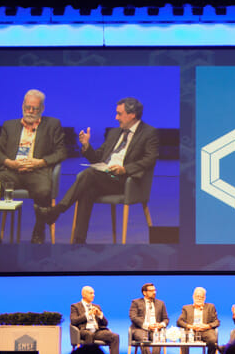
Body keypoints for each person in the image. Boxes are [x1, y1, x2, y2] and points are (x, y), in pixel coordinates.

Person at [35, 97, 159, 244]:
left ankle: (56, 211)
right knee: (87, 190)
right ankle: (79, 241)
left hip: (126, 181)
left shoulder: (149, 133)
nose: (116, 117)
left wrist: (125, 169)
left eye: (119, 114)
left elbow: (150, 159)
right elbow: (97, 158)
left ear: (132, 115)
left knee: (88, 174)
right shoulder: (114, 132)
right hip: (105, 177)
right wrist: (86, 146)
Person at [0, 89, 66, 244]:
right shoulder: (9, 125)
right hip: (12, 171)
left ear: (42, 109)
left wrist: (40, 162)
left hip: (37, 171)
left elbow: (61, 152)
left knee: (44, 191)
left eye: (35, 108)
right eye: (27, 107)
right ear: (22, 106)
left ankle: (38, 232)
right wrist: (9, 163)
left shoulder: (52, 124)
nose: (30, 111)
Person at [70, 286, 121, 354]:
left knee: (115, 336)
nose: (93, 295)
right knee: (89, 334)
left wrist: (100, 314)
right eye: (91, 293)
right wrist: (87, 314)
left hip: (97, 331)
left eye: (93, 293)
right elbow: (74, 321)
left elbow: (105, 323)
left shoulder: (97, 306)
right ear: (83, 294)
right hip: (84, 331)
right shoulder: (75, 306)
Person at [177, 287, 219, 354]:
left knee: (213, 340)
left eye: (201, 297)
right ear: (193, 296)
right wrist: (190, 326)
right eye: (197, 296)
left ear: (205, 298)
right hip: (191, 332)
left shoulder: (210, 307)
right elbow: (179, 322)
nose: (199, 298)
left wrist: (207, 326)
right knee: (183, 338)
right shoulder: (186, 308)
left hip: (206, 331)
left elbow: (216, 322)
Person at [129, 282, 168, 354]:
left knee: (158, 337)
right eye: (151, 291)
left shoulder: (160, 303)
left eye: (155, 290)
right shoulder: (136, 302)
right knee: (143, 338)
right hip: (140, 328)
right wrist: (147, 325)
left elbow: (166, 319)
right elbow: (133, 317)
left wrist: (161, 325)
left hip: (155, 329)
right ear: (144, 292)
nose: (154, 292)